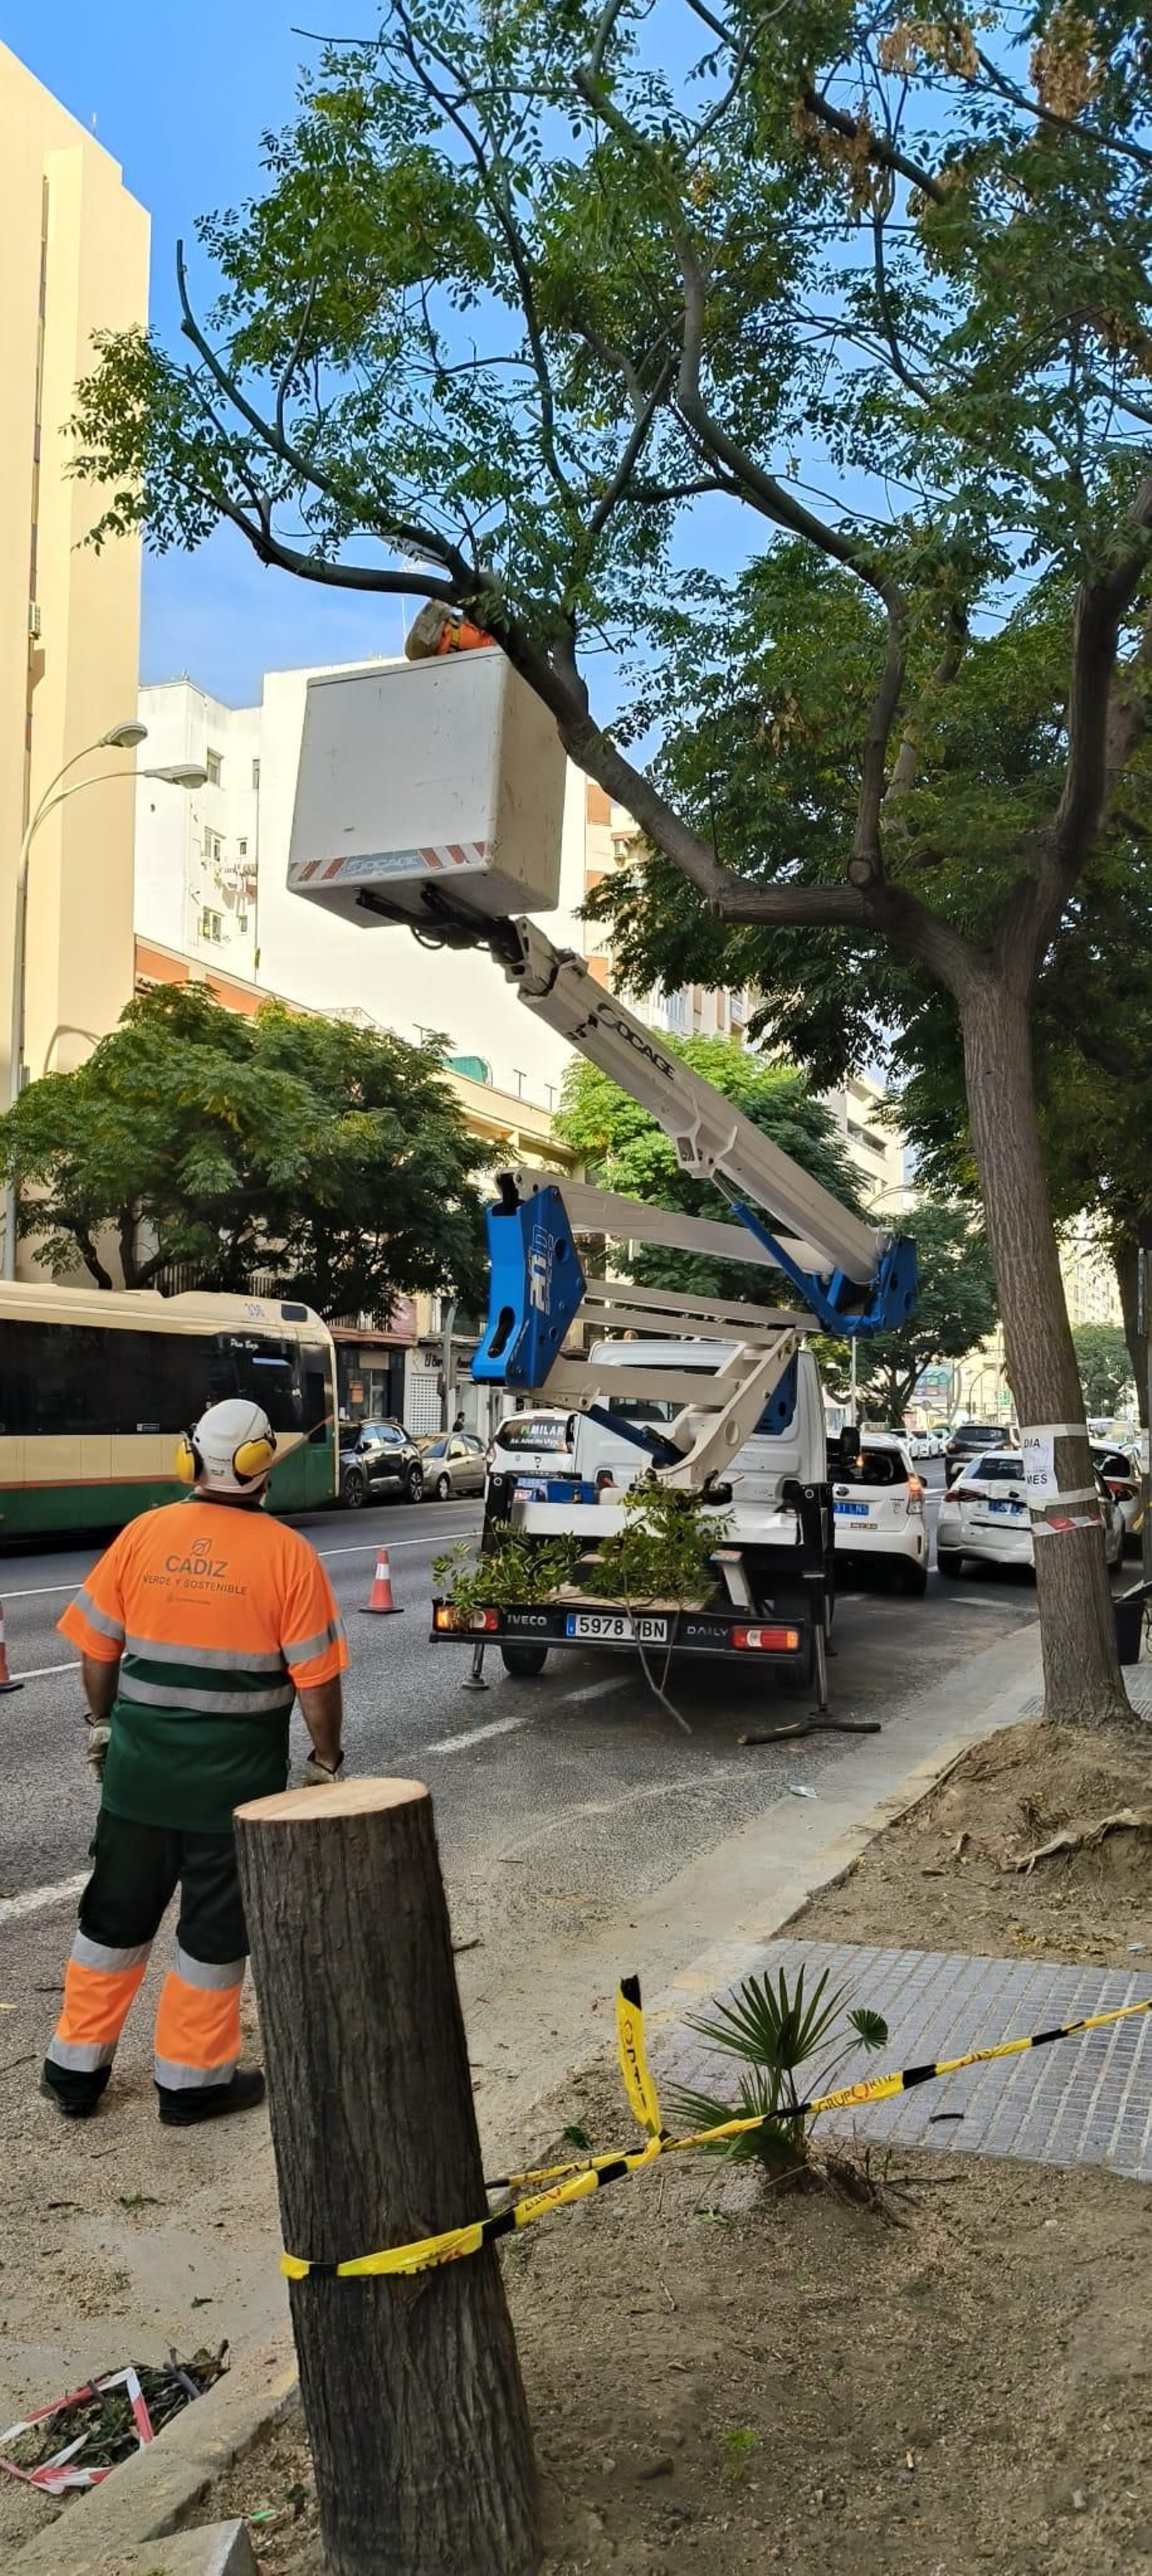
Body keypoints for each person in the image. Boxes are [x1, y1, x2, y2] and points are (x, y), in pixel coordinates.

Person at [42, 1399, 349, 2128]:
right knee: (213, 1934)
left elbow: (97, 1649)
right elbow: (317, 1684)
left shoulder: (144, 1533)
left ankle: (74, 2071)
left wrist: (101, 1726)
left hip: (137, 1781)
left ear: (189, 1460)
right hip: (234, 1792)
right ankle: (190, 2084)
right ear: (259, 1469)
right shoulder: (289, 1556)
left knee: (111, 1920)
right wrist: (326, 1762)